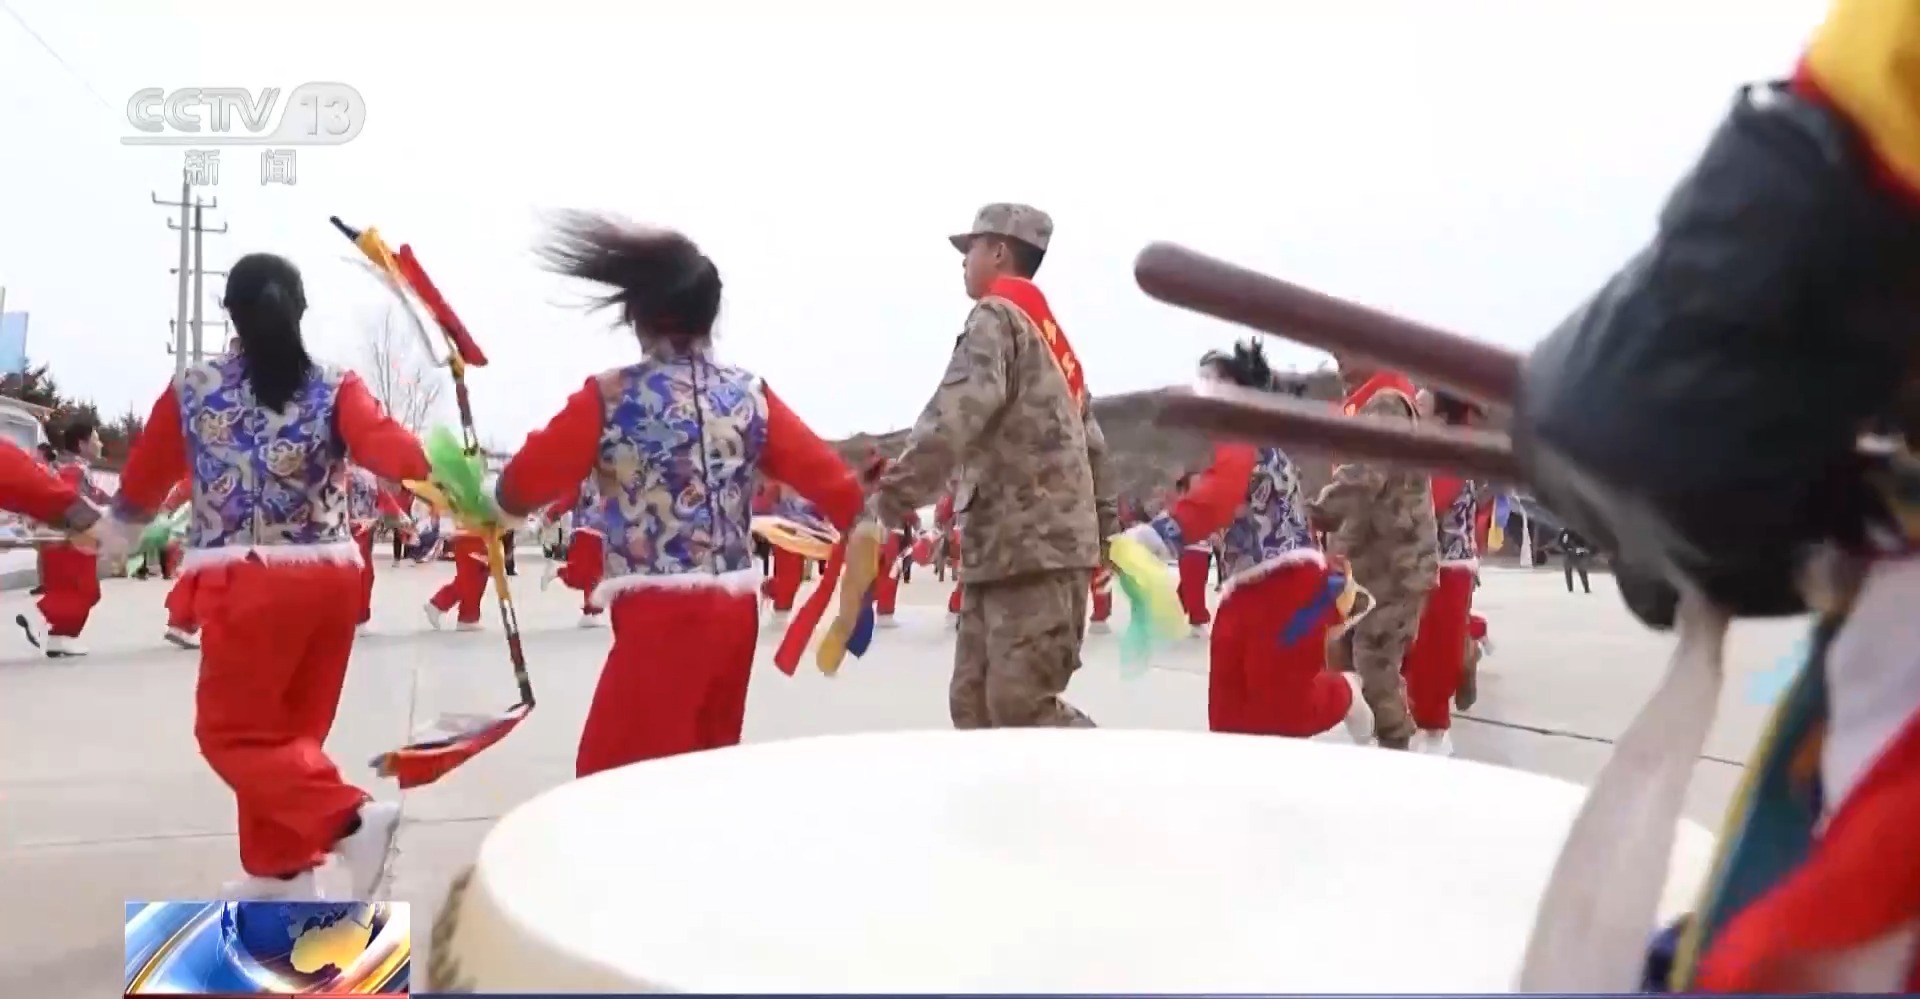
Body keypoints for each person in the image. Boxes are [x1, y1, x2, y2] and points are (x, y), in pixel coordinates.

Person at [101, 251, 430, 899]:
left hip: (248, 582)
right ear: (300, 310)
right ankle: (282, 875)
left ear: (231, 314)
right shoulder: (337, 384)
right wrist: (443, 470)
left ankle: (351, 821)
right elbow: (387, 446)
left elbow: (143, 481)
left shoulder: (193, 388)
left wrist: (112, 533)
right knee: (287, 740)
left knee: (232, 733)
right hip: (330, 583)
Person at [493, 215, 864, 777]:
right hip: (734, 615)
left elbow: (524, 482)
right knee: (703, 770)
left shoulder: (611, 396)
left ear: (639, 316)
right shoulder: (750, 396)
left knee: (615, 777)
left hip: (658, 613)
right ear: (709, 316)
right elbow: (832, 482)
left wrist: (495, 503)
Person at [864, 203, 1118, 729]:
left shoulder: (996, 317)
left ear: (999, 251)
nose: (964, 261)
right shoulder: (1054, 347)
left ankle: (1100, 773)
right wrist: (1102, 537)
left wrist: (892, 496)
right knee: (974, 705)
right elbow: (1094, 449)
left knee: (1020, 709)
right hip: (1004, 554)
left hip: (1035, 553)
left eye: (972, 249)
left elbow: (956, 412)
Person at [1121, 341, 1371, 741]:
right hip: (1241, 589)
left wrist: (1158, 534)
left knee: (1283, 706)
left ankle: (1344, 692)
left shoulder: (1245, 436)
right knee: (1228, 708)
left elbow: (1216, 499)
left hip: (1288, 587)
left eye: (1213, 383)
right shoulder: (1231, 445)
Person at [1307, 356, 1438, 750]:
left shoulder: (1386, 402)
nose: (1340, 364)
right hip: (1373, 565)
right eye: (1335, 356)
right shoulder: (1370, 404)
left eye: (1348, 353)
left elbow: (1363, 475)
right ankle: (1378, 748)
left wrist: (1316, 512)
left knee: (1375, 669)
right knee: (1346, 657)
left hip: (1395, 567)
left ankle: (1400, 754)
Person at [1400, 390, 1485, 757]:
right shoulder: (1430, 450)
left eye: (1420, 406)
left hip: (1447, 569)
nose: (1413, 409)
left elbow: (1427, 505)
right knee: (1414, 650)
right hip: (1423, 565)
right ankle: (1467, 651)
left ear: (1441, 415)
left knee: (1431, 655)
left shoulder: (1449, 452)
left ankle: (1434, 736)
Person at [19, 417, 111, 657]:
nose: (100, 444)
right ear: (82, 444)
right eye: (96, 439)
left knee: (77, 591)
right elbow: (68, 498)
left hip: (66, 539)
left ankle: (60, 637)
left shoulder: (73, 468)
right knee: (80, 590)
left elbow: (95, 496)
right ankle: (39, 619)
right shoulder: (73, 469)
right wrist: (100, 515)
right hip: (68, 540)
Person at [539, 475, 606, 628]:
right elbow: (568, 499)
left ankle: (591, 612)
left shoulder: (607, 478)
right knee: (590, 574)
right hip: (585, 532)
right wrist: (551, 515)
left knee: (589, 574)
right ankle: (591, 612)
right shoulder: (582, 481)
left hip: (601, 533)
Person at [1170, 474, 1213, 636]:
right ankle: (1197, 620)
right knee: (1194, 586)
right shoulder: (1184, 507)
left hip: (1202, 551)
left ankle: (1172, 613)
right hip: (1191, 551)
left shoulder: (1201, 506)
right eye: (1196, 483)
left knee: (1190, 586)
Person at [1558, 528, 1592, 593]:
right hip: (1570, 553)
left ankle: (1585, 588)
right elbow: (1560, 542)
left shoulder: (1578, 530)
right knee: (1570, 571)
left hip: (1576, 553)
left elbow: (1585, 541)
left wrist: (1582, 548)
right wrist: (1566, 549)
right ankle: (1571, 589)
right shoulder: (1566, 531)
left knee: (1580, 570)